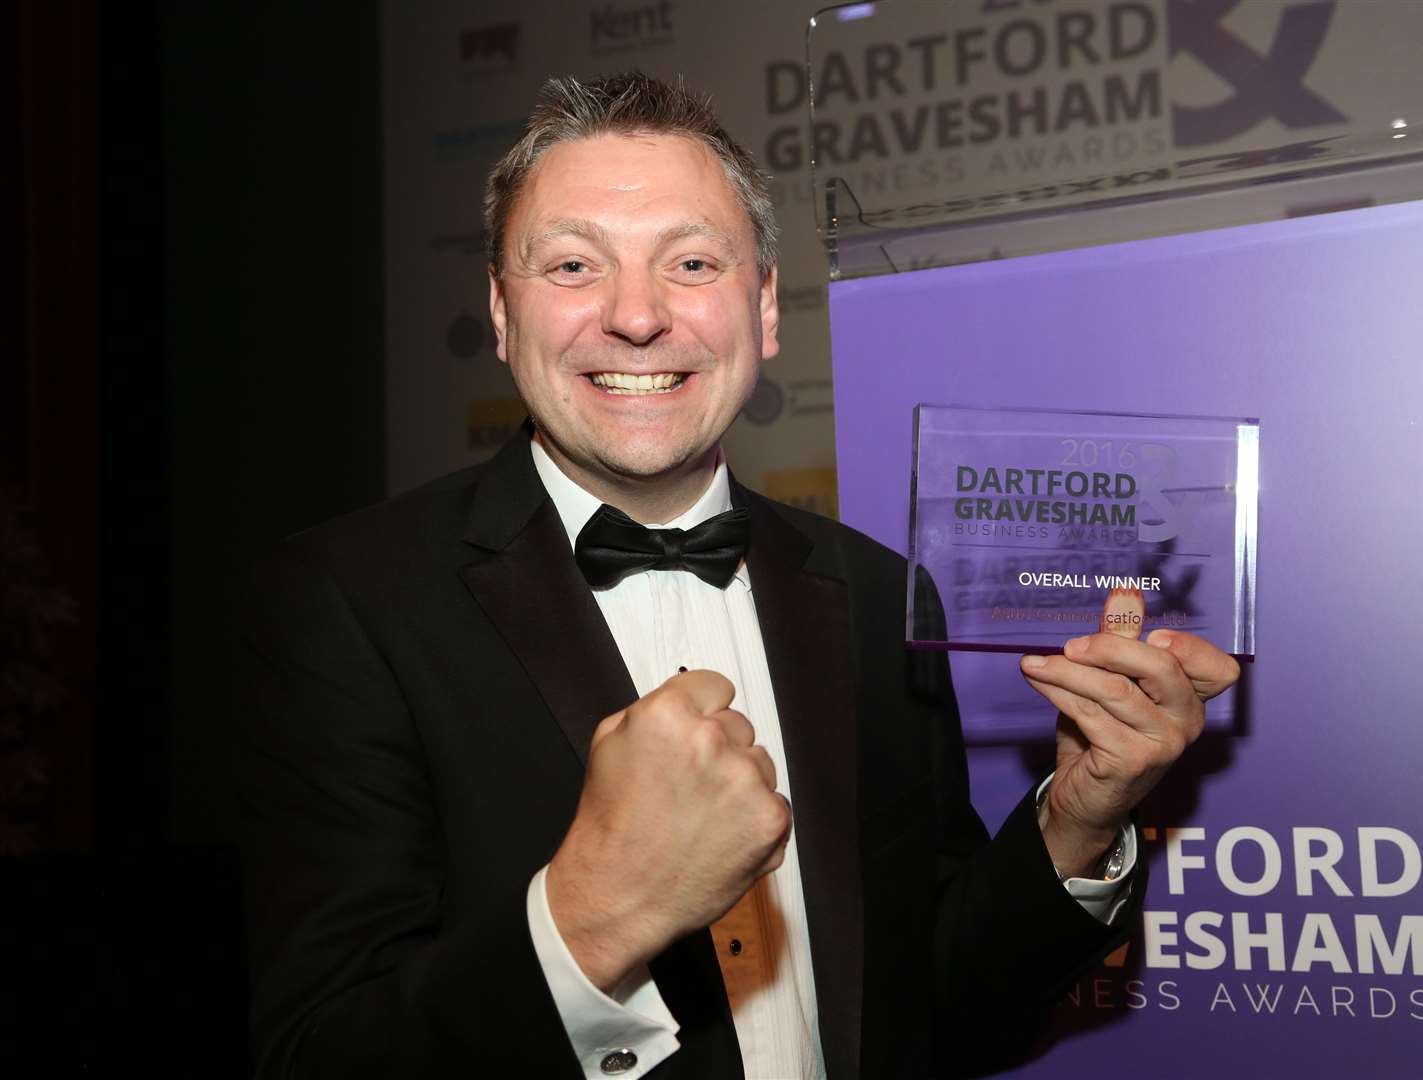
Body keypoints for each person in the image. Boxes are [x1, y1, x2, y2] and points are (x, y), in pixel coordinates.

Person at [237, 72, 1240, 1080]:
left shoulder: (877, 596)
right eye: (576, 264)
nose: (636, 316)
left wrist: (1076, 820)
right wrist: (590, 918)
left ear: (763, 307)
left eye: (693, 262)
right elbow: (317, 1052)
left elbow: (933, 1010)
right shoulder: (349, 602)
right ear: (502, 313)